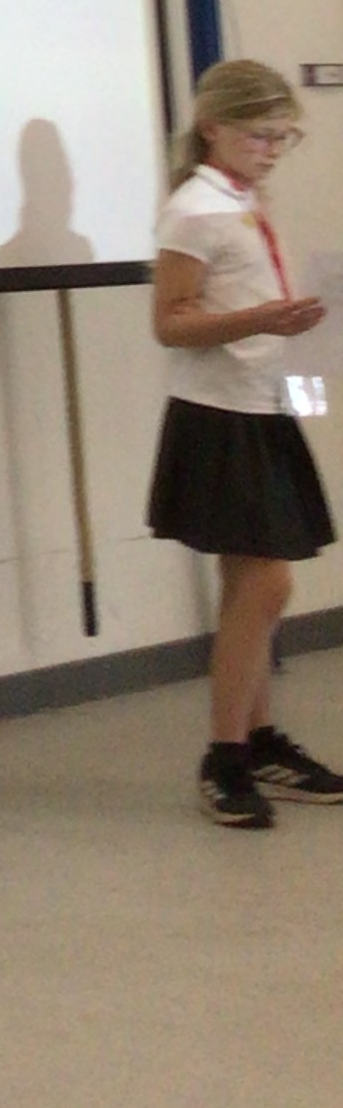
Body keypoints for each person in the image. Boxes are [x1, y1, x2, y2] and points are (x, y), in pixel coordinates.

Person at [145, 57, 343, 828]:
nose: (271, 150)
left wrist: (304, 385)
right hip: (219, 416)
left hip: (264, 404)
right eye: (259, 135)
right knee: (269, 585)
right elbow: (171, 322)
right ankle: (224, 757)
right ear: (213, 128)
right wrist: (262, 320)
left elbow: (268, 309)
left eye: (283, 136)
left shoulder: (245, 200)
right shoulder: (195, 209)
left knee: (249, 586)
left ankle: (257, 743)